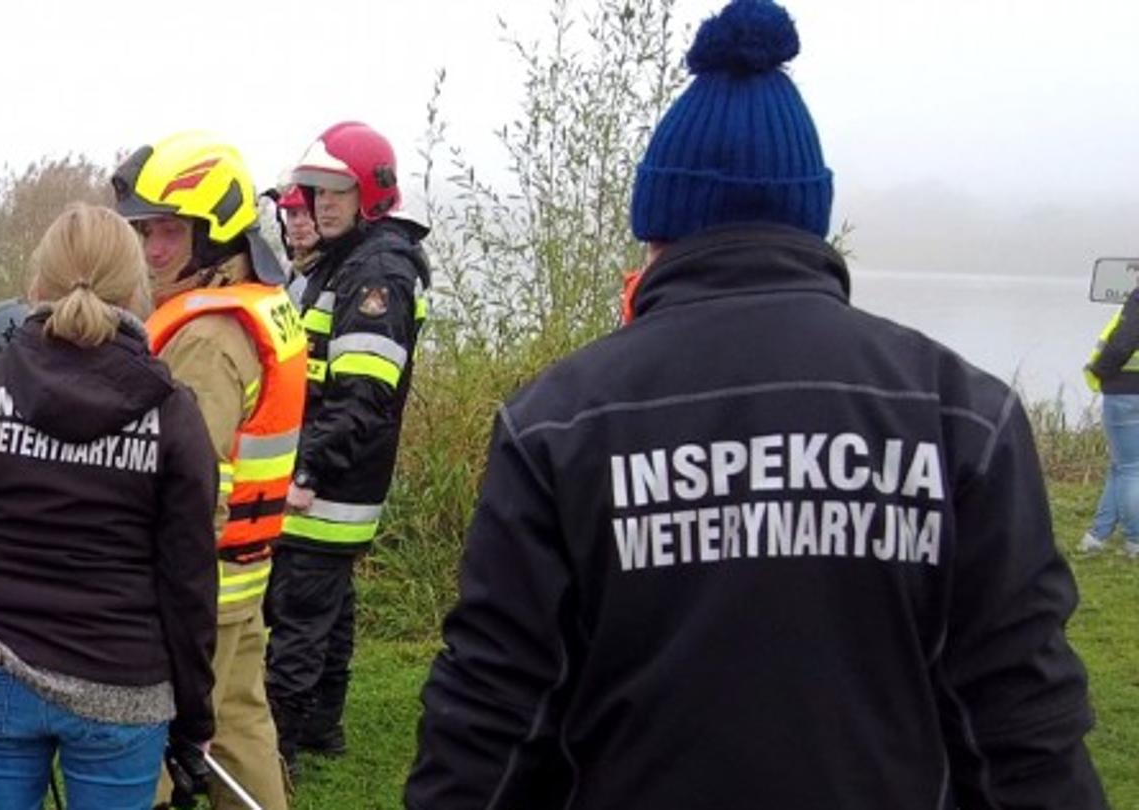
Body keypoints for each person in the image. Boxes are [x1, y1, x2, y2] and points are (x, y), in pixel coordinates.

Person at [405, 2, 1107, 808]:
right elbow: (1020, 719)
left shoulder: (560, 420)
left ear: (658, 229)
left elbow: (494, 714)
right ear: (810, 219)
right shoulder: (963, 415)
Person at [0, 203, 219, 810]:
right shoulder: (173, 413)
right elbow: (189, 582)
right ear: (136, 290)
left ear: (37, 283)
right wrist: (195, 716)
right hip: (124, 683)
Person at [113, 131, 299, 809]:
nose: (152, 250)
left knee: (147, 744)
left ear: (215, 233)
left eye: (169, 231)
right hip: (243, 575)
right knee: (242, 727)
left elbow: (191, 482)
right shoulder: (257, 304)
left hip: (198, 585)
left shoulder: (205, 339)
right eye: (145, 232)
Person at [267, 120, 431, 771]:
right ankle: (320, 729)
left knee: (297, 619)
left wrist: (307, 469)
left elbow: (363, 394)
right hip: (340, 479)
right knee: (327, 609)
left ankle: (273, 755)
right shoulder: (352, 258)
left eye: (337, 192)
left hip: (327, 484)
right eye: (316, 192)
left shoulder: (377, 270)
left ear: (371, 193)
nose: (322, 205)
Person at [1082, 283, 1139, 555]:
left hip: (1125, 391)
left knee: (1129, 469)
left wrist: (1100, 370)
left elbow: (1123, 342)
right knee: (1122, 465)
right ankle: (1097, 535)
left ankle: (1135, 541)